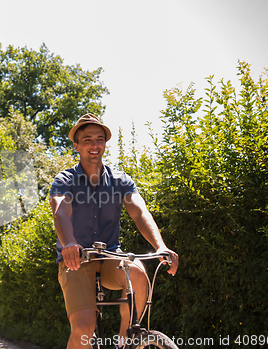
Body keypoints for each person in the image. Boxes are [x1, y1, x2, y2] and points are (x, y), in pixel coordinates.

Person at [49, 114, 179, 349]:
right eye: (87, 139)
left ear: (105, 144)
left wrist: (160, 246)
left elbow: (140, 213)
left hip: (110, 256)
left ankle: (124, 341)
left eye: (100, 139)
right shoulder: (65, 179)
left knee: (138, 272)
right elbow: (60, 212)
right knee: (83, 328)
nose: (94, 145)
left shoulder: (121, 180)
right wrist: (69, 243)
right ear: (76, 146)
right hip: (76, 260)